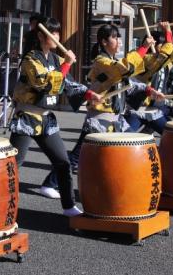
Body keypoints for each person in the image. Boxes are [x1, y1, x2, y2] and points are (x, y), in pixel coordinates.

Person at [9, 17, 102, 215]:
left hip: (46, 118)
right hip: (27, 116)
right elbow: (44, 83)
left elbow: (68, 83)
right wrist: (67, 63)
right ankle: (3, 209)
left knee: (63, 162)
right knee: (13, 166)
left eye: (59, 33)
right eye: (53, 33)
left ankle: (69, 206)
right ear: (42, 36)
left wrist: (88, 94)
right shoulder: (30, 59)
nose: (57, 37)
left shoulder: (55, 59)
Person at [41, 24, 150, 187]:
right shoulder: (101, 61)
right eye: (115, 37)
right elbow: (125, 70)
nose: (119, 41)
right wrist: (143, 48)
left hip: (116, 119)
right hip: (99, 119)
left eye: (119, 37)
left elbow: (128, 81)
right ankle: (50, 183)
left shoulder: (113, 61)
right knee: (78, 156)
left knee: (134, 146)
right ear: (104, 42)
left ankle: (121, 185)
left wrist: (149, 90)